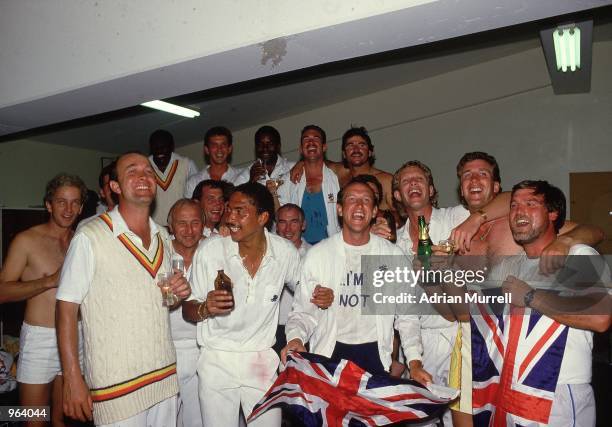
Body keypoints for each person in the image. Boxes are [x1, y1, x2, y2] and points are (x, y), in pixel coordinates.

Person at [56, 152, 191, 426]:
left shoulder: (163, 235)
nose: (144, 176)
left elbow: (165, 299)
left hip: (164, 376)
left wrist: (177, 292)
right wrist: (72, 377)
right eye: (132, 171)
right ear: (115, 187)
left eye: (148, 172)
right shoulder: (90, 236)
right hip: (116, 385)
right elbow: (65, 308)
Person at [476, 180, 611, 426]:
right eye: (514, 205)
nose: (519, 211)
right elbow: (472, 315)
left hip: (557, 393)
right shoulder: (509, 265)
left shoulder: (577, 255)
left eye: (531, 204)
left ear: (552, 213)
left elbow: (601, 317)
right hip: (512, 393)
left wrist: (530, 296)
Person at [183, 183, 301, 427]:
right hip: (217, 359)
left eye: (240, 211)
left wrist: (298, 332)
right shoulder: (212, 250)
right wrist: (205, 307)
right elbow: (187, 307)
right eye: (229, 210)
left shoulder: (284, 252)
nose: (230, 217)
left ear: (263, 217)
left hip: (260, 360)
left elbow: (305, 293)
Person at [282, 178, 405, 376]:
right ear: (339, 209)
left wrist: (414, 359)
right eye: (352, 199)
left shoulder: (391, 255)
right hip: (329, 353)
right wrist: (295, 338)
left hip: (376, 355)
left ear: (374, 211)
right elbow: (302, 312)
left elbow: (406, 317)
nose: (358, 205)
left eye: (366, 200)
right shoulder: (318, 255)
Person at [0, 173, 87, 427]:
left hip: (75, 336)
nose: (68, 209)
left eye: (74, 202)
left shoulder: (82, 241)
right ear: (48, 204)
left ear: (82, 207)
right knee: (35, 421)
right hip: (41, 337)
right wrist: (47, 281)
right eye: (61, 201)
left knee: (61, 420)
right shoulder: (26, 240)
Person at [165, 199, 206, 427]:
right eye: (182, 223)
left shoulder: (213, 251)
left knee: (197, 421)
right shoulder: (158, 252)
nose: (189, 231)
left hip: (203, 349)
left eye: (195, 223)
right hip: (164, 350)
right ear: (170, 225)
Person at [290, 126, 396, 211]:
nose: (355, 149)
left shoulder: (385, 180)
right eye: (350, 145)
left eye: (361, 145)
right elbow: (315, 159)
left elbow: (401, 215)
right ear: (344, 154)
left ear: (370, 152)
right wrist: (301, 162)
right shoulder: (339, 172)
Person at [276, 125, 340, 245]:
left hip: (331, 248)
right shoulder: (289, 179)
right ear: (300, 149)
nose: (311, 142)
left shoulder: (336, 177)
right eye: (306, 139)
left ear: (324, 147)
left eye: (316, 138)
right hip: (300, 250)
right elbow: (278, 213)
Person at [274, 203, 311, 353]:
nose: (288, 229)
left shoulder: (315, 255)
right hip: (271, 328)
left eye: (294, 222)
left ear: (303, 225)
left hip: (303, 329)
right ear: (276, 226)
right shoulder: (267, 254)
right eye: (282, 222)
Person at [149, 129, 198, 225]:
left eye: (163, 147)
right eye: (156, 147)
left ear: (171, 147)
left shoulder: (187, 164)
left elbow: (196, 199)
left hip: (181, 227)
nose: (159, 151)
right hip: (153, 228)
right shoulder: (144, 165)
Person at [185, 126, 243, 197]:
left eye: (223, 145)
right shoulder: (194, 182)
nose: (219, 149)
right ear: (206, 150)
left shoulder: (242, 176)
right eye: (214, 145)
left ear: (229, 149)